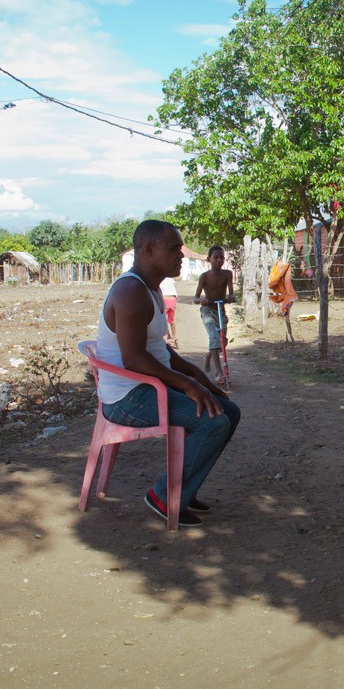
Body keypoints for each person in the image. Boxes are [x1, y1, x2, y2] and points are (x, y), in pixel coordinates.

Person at [97, 221, 241, 528]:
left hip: (145, 387)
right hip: (127, 397)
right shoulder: (130, 291)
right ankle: (164, 496)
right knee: (212, 422)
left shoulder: (151, 288)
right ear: (149, 250)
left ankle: (184, 490)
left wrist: (197, 377)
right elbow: (134, 359)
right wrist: (188, 385)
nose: (182, 255)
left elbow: (161, 352)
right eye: (174, 248)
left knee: (229, 409)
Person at [193, 245, 235, 378]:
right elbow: (195, 298)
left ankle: (209, 356)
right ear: (208, 259)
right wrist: (202, 300)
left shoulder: (228, 274)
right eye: (215, 257)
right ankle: (219, 372)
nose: (219, 260)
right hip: (208, 311)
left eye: (222, 257)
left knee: (223, 341)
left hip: (220, 311)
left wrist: (231, 297)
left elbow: (231, 293)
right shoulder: (204, 277)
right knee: (214, 337)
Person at [160, 275, 179, 348]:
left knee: (164, 319)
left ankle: (168, 337)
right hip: (172, 299)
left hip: (164, 299)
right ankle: (174, 337)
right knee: (171, 320)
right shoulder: (170, 279)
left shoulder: (160, 279)